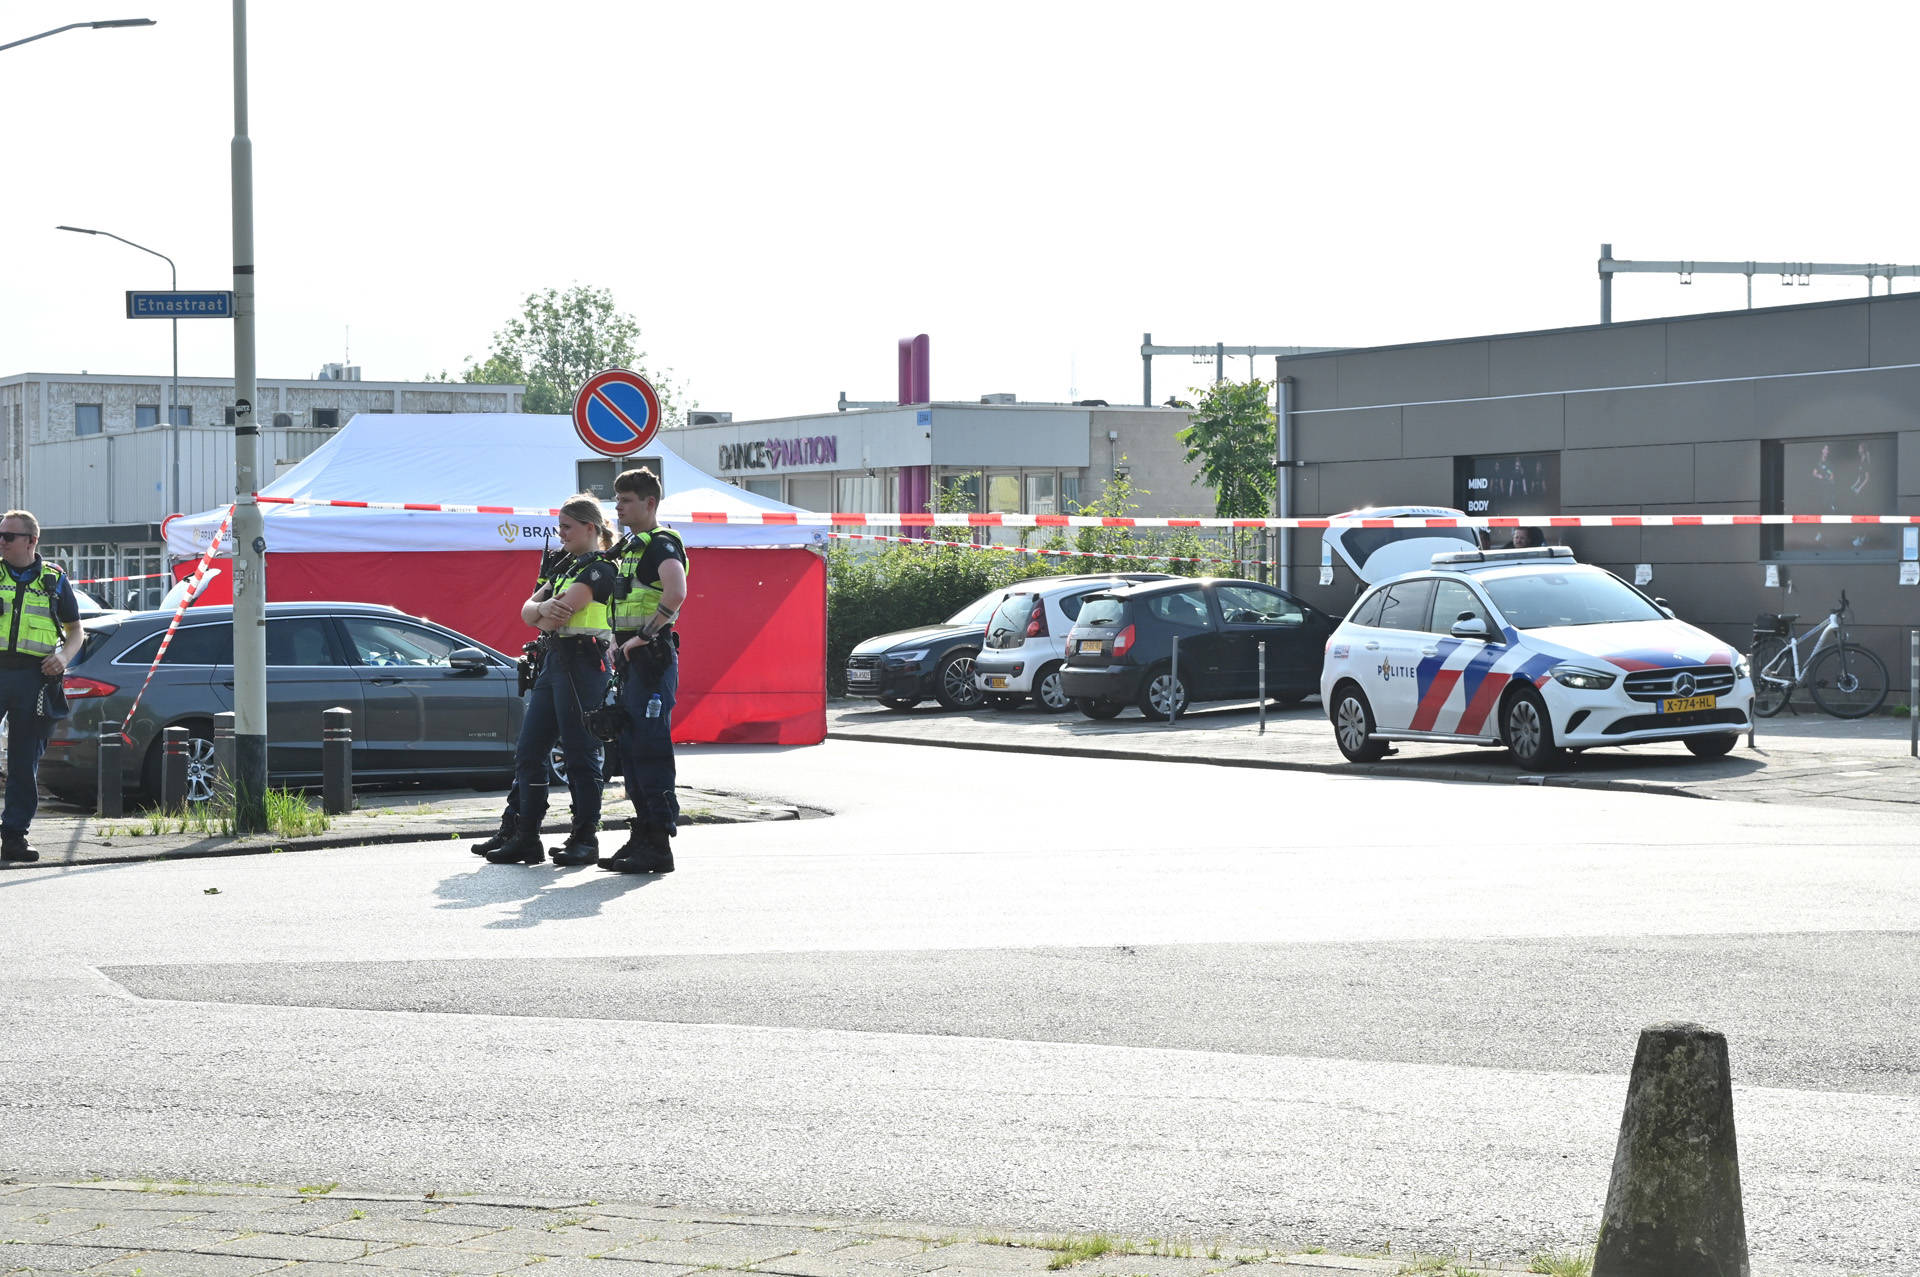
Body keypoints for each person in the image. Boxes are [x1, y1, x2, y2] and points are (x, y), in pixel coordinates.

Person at [482, 495, 619, 867]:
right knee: (530, 751)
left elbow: (554, 617)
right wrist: (541, 609)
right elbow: (528, 611)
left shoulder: (600, 569)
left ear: (589, 528)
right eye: (559, 527)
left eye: (567, 527)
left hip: (583, 662)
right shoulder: (566, 565)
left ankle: (585, 838)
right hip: (555, 660)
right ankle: (526, 837)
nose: (561, 534)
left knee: (580, 753)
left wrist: (539, 612)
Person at [599, 466, 689, 874]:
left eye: (626, 500)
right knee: (632, 749)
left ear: (649, 503)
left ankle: (658, 843)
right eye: (617, 500)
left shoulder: (661, 545)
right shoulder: (631, 547)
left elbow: (677, 592)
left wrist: (642, 638)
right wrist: (616, 641)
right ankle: (643, 835)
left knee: (650, 749)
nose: (618, 507)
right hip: (631, 660)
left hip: (651, 660)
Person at [0, 510, 84, 863]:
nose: (1, 541)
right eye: (0, 535)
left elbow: (76, 631)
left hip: (34, 679)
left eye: (8, 536)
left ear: (32, 540)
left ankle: (14, 837)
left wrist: (63, 658)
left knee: (24, 763)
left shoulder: (54, 579)